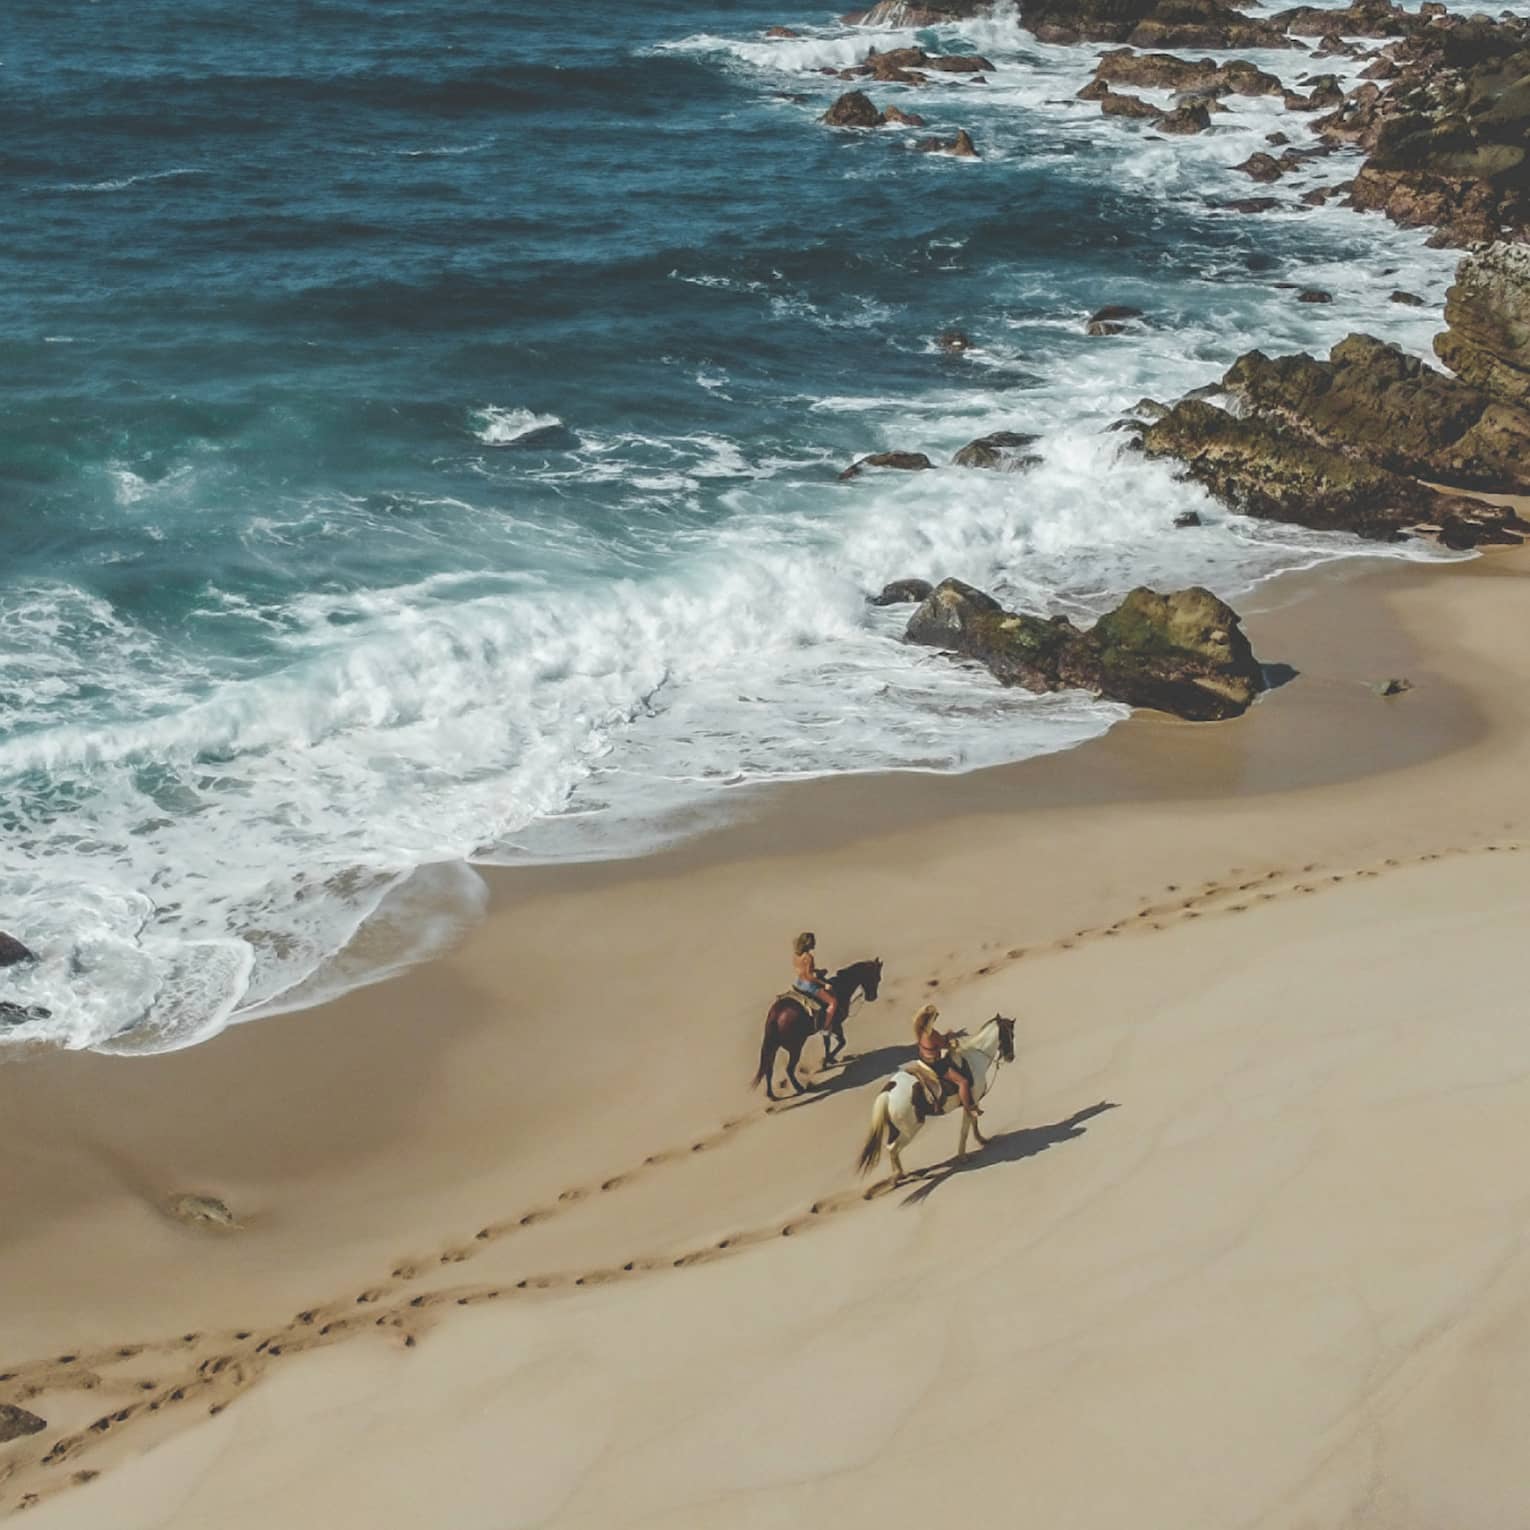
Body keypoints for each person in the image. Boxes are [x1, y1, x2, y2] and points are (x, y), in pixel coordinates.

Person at [913, 1003, 978, 1115]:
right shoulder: (932, 1034)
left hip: (923, 1061)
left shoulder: (919, 1030)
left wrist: (947, 1036)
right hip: (936, 1065)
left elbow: (938, 1041)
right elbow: (945, 1044)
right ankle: (969, 1108)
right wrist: (952, 1041)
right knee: (963, 1082)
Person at [792, 932, 838, 1032]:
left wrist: (818, 971)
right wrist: (824, 984)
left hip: (798, 983)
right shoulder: (808, 957)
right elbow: (809, 976)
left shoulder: (796, 956)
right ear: (809, 943)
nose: (815, 943)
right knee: (833, 1002)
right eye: (813, 941)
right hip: (808, 986)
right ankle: (825, 1027)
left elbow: (802, 971)